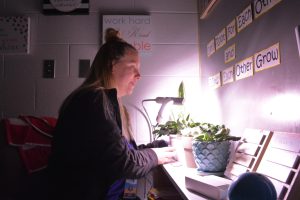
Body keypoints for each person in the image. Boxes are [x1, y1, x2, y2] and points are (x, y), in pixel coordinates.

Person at [47, 28, 176, 200]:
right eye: (133, 67)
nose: (139, 75)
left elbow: (125, 153)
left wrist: (160, 145)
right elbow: (122, 163)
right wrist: (155, 156)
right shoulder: (92, 101)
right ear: (111, 66)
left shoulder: (111, 104)